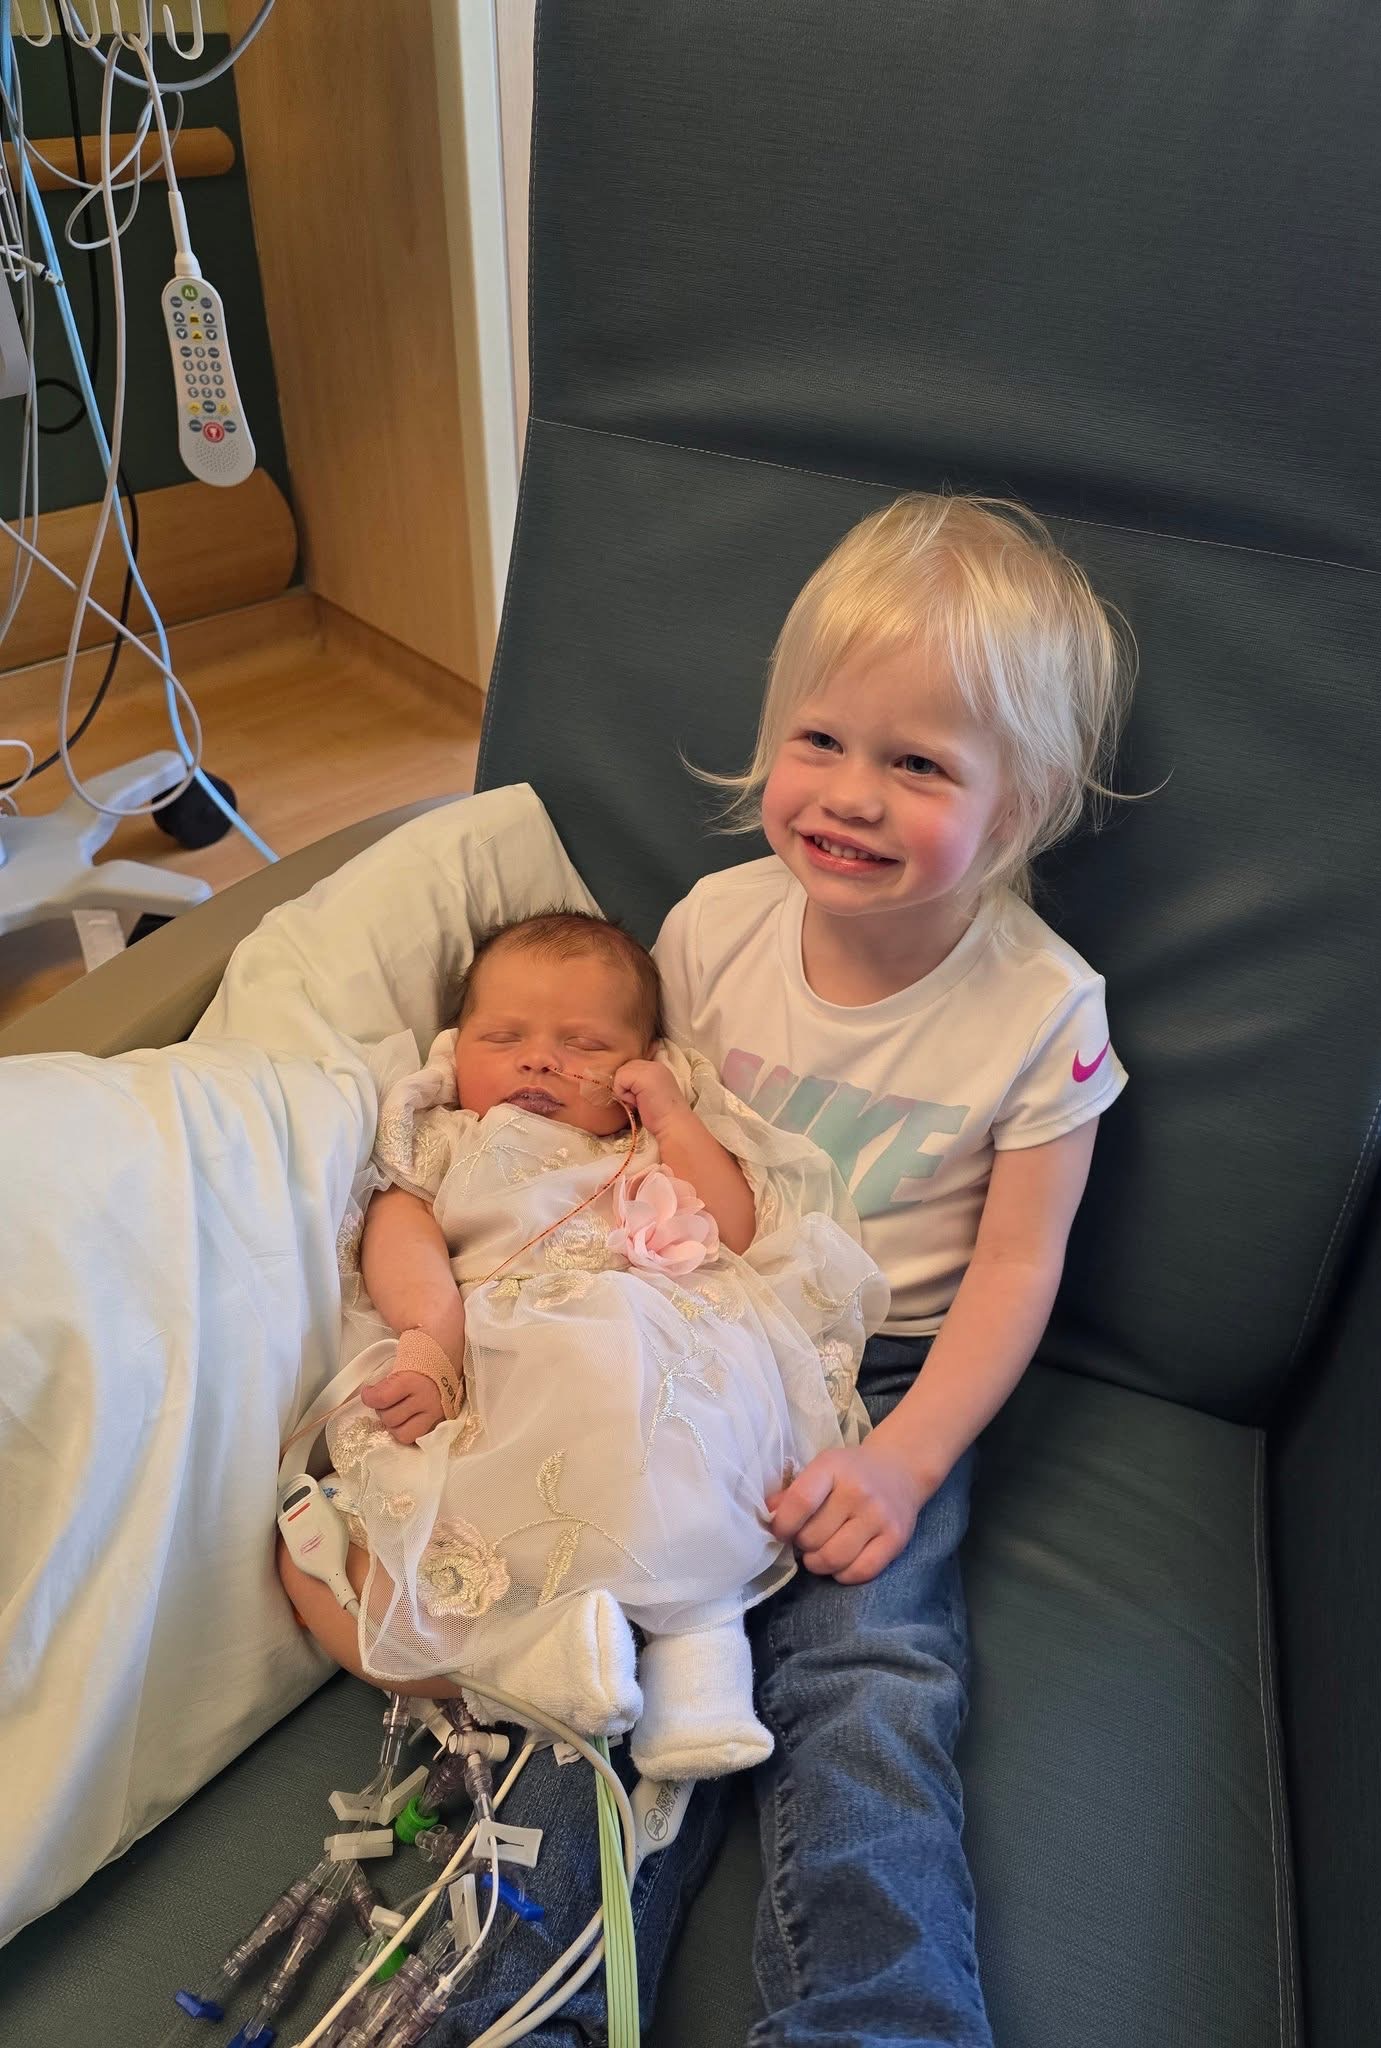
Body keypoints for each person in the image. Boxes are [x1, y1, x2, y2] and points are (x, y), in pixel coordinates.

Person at [435, 492, 1133, 2048]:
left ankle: (877, 2017)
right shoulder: (713, 927)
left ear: (1018, 806)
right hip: (693, 1329)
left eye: (920, 765)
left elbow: (1018, 1272)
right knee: (582, 1664)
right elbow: (638, 1132)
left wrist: (902, 1462)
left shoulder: (1045, 1012)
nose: (849, 796)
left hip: (880, 1380)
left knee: (872, 1689)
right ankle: (520, 2010)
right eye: (820, 741)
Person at [279, 911, 885, 1783]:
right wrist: (431, 1343)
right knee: (328, 1559)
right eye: (504, 1038)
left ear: (644, 1063)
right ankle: (538, 1661)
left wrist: (671, 1116)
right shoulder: (450, 1139)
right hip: (496, 1368)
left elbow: (737, 1229)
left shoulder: (647, 1140)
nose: (539, 1060)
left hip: (669, 1356)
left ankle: (699, 1652)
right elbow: (401, 1236)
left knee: (658, 1411)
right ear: (455, 1050)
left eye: (584, 1045)